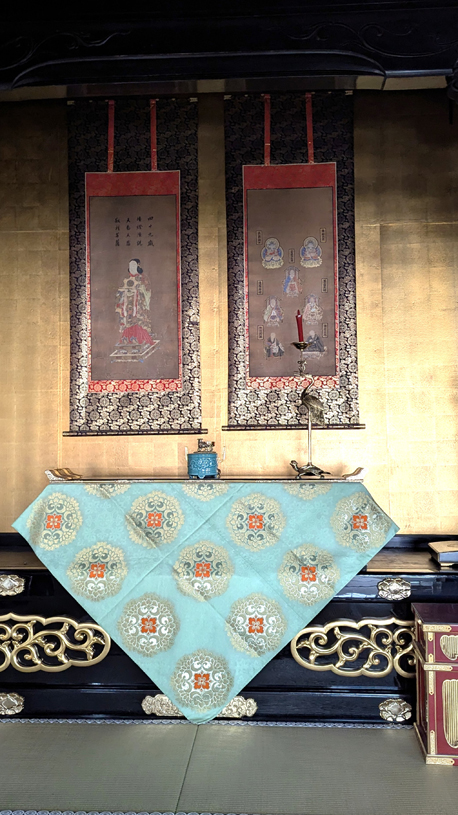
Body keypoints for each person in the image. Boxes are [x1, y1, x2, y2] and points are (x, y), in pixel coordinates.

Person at [115, 258, 155, 346]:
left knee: (139, 320)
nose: (132, 267)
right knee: (128, 320)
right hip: (127, 303)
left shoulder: (142, 278)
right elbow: (120, 291)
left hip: (139, 304)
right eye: (130, 266)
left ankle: (140, 338)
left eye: (134, 265)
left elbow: (147, 291)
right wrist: (123, 292)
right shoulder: (126, 279)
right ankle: (128, 338)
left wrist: (140, 290)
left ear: (138, 266)